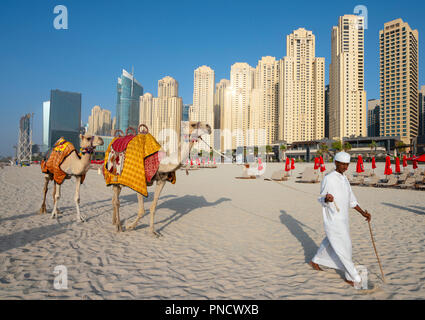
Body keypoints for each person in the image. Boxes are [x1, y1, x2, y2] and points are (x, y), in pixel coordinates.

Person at [309, 151, 371, 287]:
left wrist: (362, 213)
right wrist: (327, 198)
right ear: (336, 163)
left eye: (347, 164)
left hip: (343, 219)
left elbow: (351, 200)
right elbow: (321, 198)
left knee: (330, 241)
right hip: (333, 219)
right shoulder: (329, 178)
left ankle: (316, 260)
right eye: (342, 164)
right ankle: (351, 276)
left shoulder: (344, 178)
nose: (345, 167)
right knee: (345, 246)